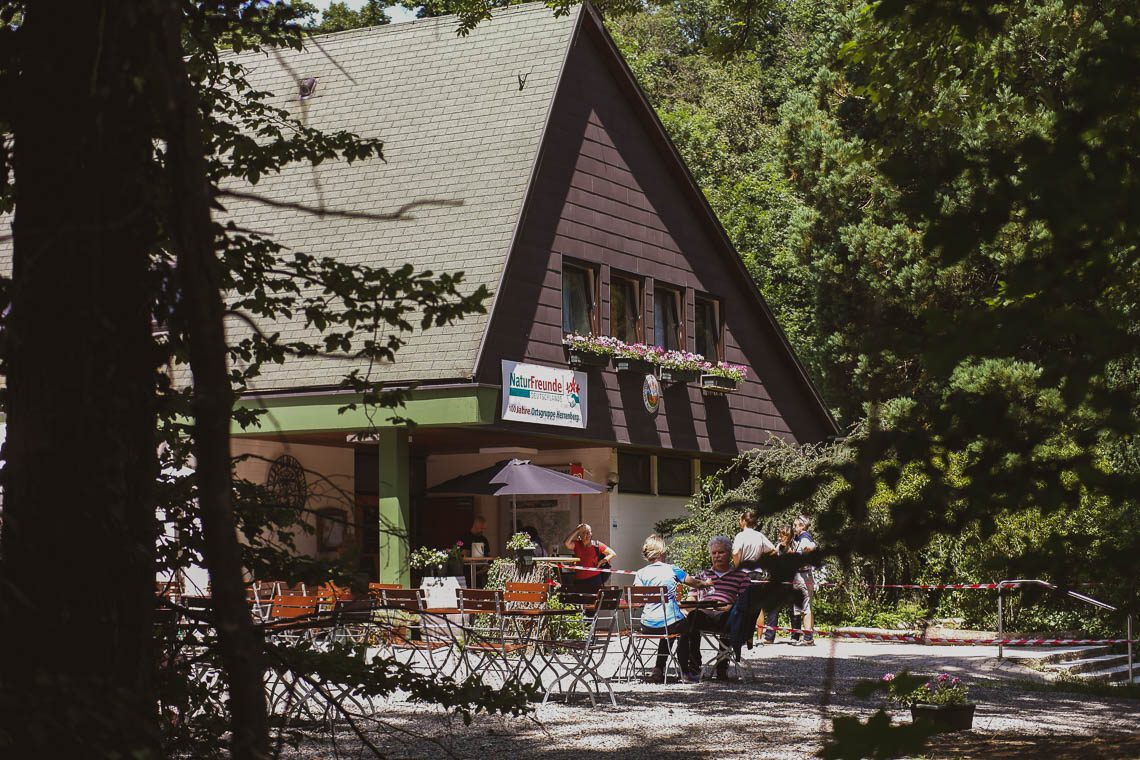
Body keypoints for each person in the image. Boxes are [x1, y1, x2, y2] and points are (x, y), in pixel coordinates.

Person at [634, 534, 710, 683]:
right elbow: (695, 583)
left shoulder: (640, 573)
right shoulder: (672, 569)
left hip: (646, 625)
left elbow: (638, 598)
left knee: (669, 629)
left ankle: (658, 668)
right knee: (684, 629)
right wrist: (706, 583)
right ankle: (686, 672)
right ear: (662, 551)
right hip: (668, 622)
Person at [679, 536, 751, 681]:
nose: (716, 556)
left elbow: (747, 601)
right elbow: (692, 597)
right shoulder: (702, 575)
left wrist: (732, 607)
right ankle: (693, 665)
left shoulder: (741, 576)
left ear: (729, 554)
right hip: (704, 614)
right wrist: (688, 607)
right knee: (691, 619)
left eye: (721, 552)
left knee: (732, 616)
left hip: (726, 615)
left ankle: (722, 666)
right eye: (714, 553)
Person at [761, 524, 797, 644]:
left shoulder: (794, 546)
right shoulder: (778, 547)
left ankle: (795, 636)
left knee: (793, 609)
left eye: (782, 535)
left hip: (791, 582)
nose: (780, 538)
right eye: (779, 535)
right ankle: (769, 637)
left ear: (788, 536)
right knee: (773, 609)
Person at [563, 523, 615, 593]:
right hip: (579, 580)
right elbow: (566, 543)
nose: (585, 535)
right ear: (580, 535)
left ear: (591, 534)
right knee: (580, 601)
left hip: (594, 579)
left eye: (588, 533)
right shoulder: (577, 544)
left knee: (593, 602)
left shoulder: (597, 545)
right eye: (583, 533)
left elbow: (612, 553)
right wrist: (577, 530)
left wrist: (602, 561)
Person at [791, 514, 818, 646]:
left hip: (804, 575)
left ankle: (808, 638)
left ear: (802, 526)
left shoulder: (805, 537)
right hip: (799, 575)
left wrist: (809, 548)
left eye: (795, 525)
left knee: (806, 607)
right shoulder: (798, 538)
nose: (793, 527)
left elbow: (811, 545)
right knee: (802, 607)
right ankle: (806, 636)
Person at [459, 516, 491, 587]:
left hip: (480, 572)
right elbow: (457, 548)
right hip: (467, 571)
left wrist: (486, 564)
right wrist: (463, 552)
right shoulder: (464, 537)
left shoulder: (483, 539)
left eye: (483, 529)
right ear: (475, 525)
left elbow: (487, 554)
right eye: (481, 528)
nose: (482, 530)